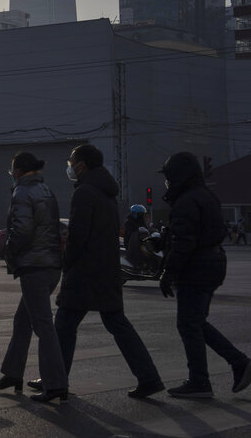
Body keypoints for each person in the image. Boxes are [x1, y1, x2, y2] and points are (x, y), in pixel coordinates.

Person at [52, 144, 164, 399]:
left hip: (84, 271)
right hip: (106, 268)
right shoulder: (106, 192)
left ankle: (55, 379)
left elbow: (78, 235)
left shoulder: (84, 193)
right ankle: (149, 377)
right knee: (117, 323)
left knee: (65, 324)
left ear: (81, 165)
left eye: (71, 162)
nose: (69, 166)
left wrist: (67, 262)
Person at [158, 152, 251, 398]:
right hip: (211, 264)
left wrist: (168, 272)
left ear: (179, 176)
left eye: (169, 177)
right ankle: (237, 364)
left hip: (196, 268)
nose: (167, 183)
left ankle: (201, 381)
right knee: (196, 323)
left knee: (189, 324)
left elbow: (184, 242)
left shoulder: (186, 201)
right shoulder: (205, 195)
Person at [0, 151, 68, 403]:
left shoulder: (22, 193)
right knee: (23, 320)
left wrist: (7, 250)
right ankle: (13, 373)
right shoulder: (46, 190)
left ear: (19, 171)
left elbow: (22, 231)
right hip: (51, 264)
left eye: (13, 171)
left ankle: (55, 384)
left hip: (34, 266)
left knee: (43, 325)